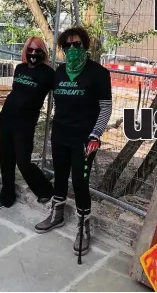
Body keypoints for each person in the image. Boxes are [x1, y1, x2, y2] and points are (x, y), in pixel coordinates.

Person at [35, 26, 112, 257]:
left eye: (76, 44)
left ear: (85, 46)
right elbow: (57, 103)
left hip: (85, 139)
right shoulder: (58, 73)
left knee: (79, 182)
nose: (72, 49)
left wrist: (95, 134)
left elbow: (106, 109)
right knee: (59, 175)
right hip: (60, 134)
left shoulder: (98, 73)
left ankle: (83, 227)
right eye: (67, 46)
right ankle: (57, 215)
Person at [0, 36, 54, 209]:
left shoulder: (48, 73)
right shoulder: (20, 68)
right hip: (7, 118)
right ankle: (7, 195)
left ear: (43, 52)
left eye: (38, 50)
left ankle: (45, 190)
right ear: (25, 50)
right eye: (30, 49)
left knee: (23, 162)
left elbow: (58, 96)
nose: (34, 53)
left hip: (25, 123)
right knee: (6, 159)